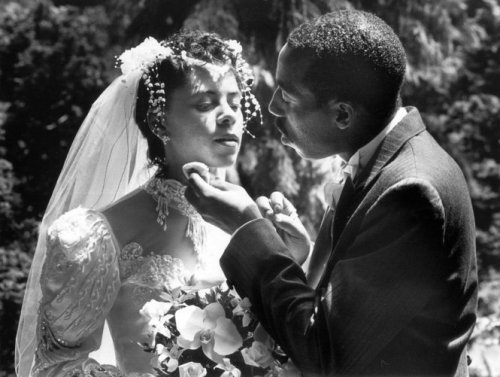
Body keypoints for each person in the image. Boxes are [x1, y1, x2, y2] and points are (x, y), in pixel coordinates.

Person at [185, 10, 478, 377]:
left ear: (342, 115)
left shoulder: (410, 192)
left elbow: (326, 355)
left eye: (287, 97)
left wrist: (248, 227)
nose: (272, 106)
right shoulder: (385, 163)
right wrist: (306, 257)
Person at [15, 30, 262, 377]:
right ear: (159, 121)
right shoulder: (95, 237)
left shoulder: (255, 220)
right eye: (206, 104)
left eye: (235, 103)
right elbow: (56, 366)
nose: (229, 116)